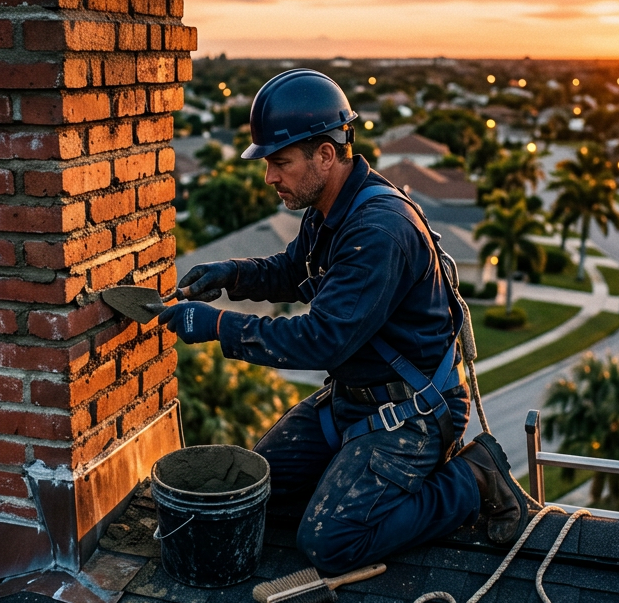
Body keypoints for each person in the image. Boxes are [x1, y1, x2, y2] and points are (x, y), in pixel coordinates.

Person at [154, 69, 530, 574]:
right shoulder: (330, 207)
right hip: (354, 397)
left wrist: (217, 325)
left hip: (412, 413)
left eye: (280, 162)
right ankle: (352, 477)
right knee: (256, 494)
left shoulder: (378, 231)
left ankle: (474, 480)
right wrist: (233, 275)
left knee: (330, 542)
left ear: (325, 154)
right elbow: (294, 270)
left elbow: (320, 340)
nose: (270, 177)